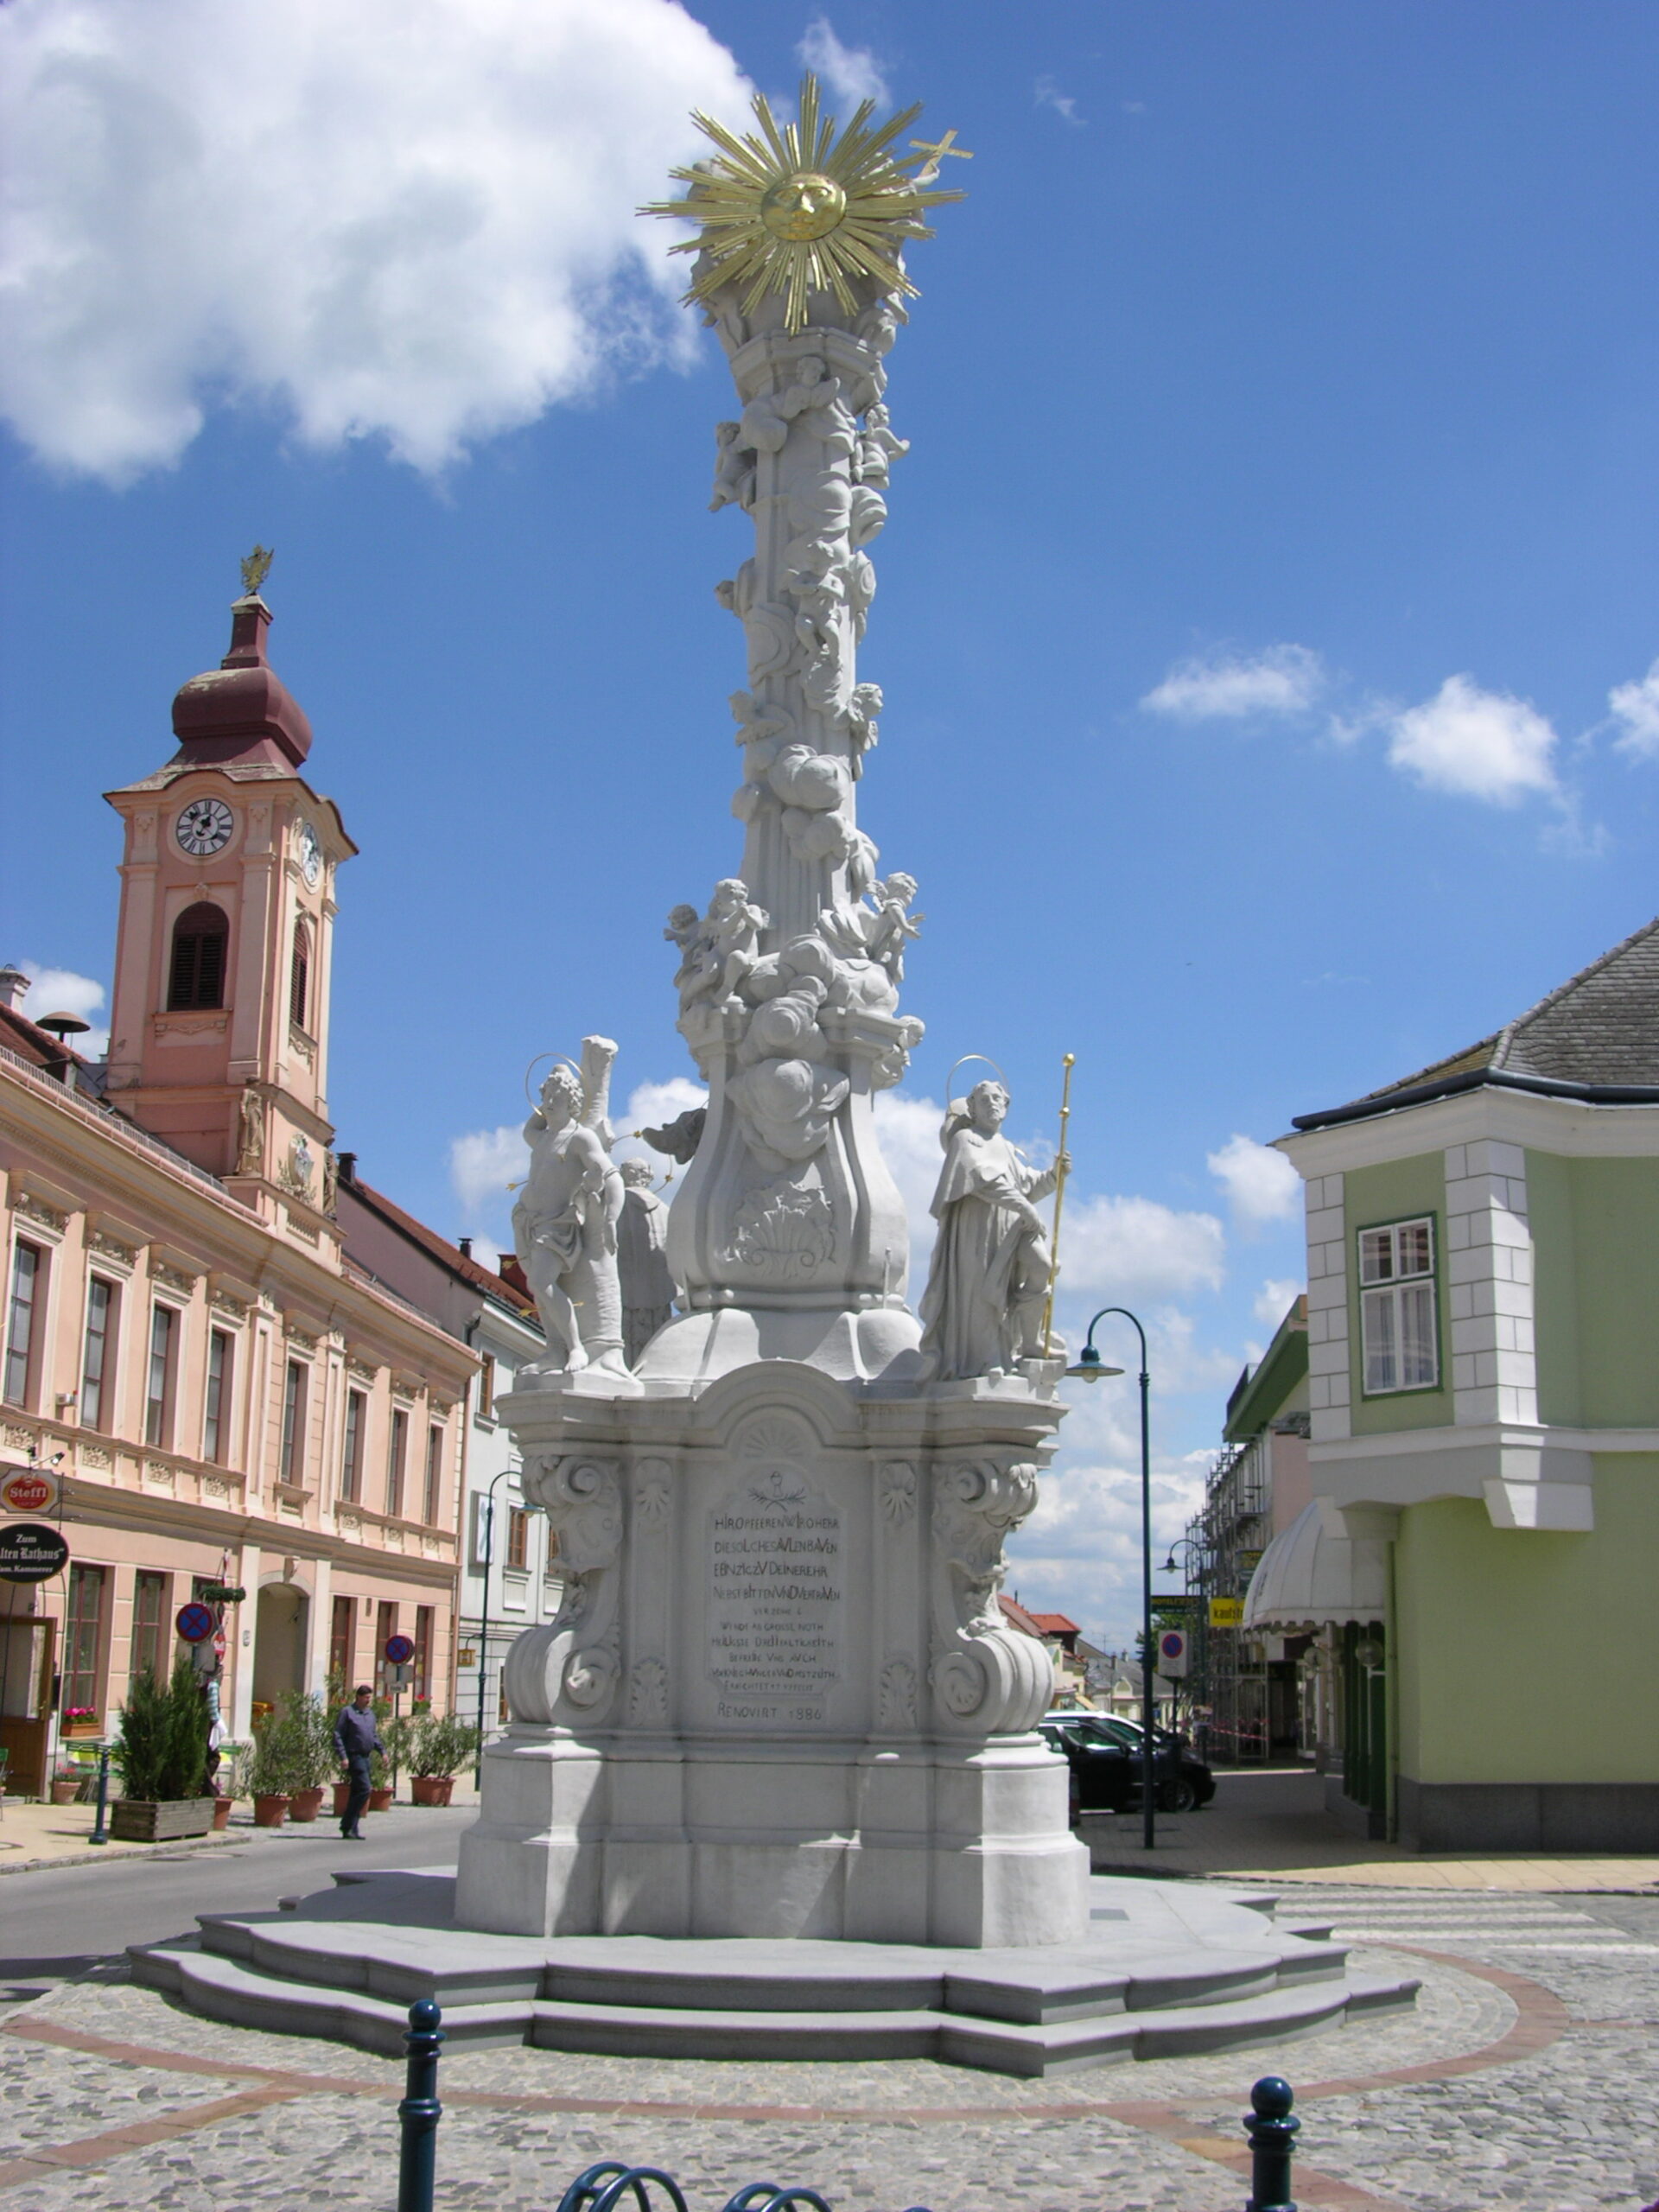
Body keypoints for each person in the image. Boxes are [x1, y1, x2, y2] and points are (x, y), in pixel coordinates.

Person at [333, 1683, 384, 1840]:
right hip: (354, 1756)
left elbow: (373, 1735)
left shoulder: (370, 1715)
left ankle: (351, 1829)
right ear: (359, 1697)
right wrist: (343, 1757)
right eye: (366, 1697)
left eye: (370, 1697)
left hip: (366, 1756)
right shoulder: (347, 1713)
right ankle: (347, 1823)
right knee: (365, 1789)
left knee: (356, 1792)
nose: (369, 1700)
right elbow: (338, 1735)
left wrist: (383, 1752)